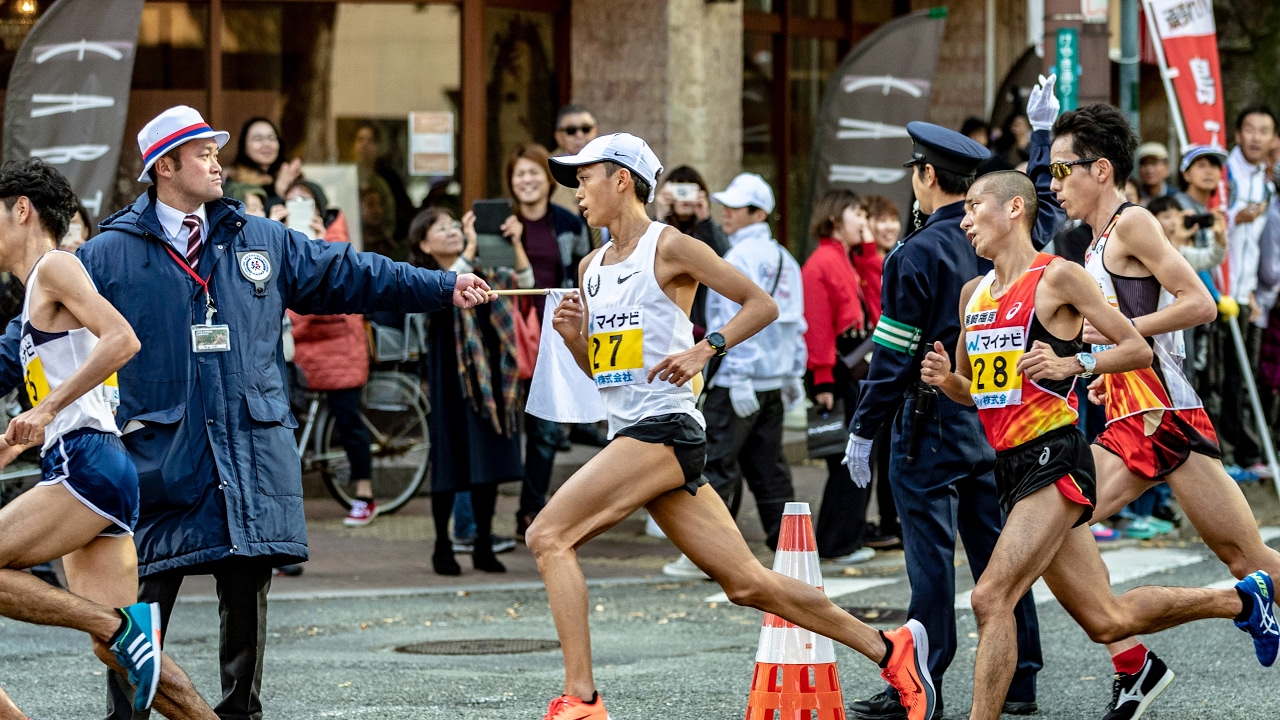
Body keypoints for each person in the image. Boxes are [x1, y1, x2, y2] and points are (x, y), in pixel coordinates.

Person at [76, 105, 491, 719]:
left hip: (248, 448)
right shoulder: (108, 254)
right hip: (158, 457)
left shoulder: (259, 238)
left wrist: (439, 286)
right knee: (141, 610)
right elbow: (40, 333)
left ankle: (241, 714)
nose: (219, 163)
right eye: (204, 154)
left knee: (246, 602)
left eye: (218, 151)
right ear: (166, 166)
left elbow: (350, 272)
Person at [533, 132, 938, 720]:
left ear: (622, 178)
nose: (576, 191)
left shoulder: (670, 246)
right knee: (748, 583)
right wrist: (575, 339)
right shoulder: (590, 265)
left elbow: (760, 304)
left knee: (548, 535)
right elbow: (604, 371)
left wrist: (706, 349)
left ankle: (583, 699)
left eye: (584, 176)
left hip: (666, 428)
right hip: (633, 431)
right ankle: (891, 649)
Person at [922, 168, 1276, 720]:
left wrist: (1072, 362)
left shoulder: (1058, 278)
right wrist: (947, 380)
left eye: (972, 207)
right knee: (1107, 620)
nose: (964, 221)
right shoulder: (973, 294)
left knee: (991, 598)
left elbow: (1136, 347)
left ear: (1014, 208)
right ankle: (1241, 598)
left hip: (1056, 456)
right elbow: (976, 395)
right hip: (1009, 468)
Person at [844, 74, 1067, 720]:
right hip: (991, 419)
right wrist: (1042, 135)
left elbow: (893, 357)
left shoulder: (914, 254)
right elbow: (1042, 208)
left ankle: (924, 678)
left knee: (930, 560)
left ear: (924, 177)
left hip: (928, 419)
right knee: (1002, 553)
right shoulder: (1003, 238)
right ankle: (1020, 678)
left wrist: (863, 429)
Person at [1048, 102, 1280, 716]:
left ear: (1100, 170)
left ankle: (1135, 662)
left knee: (1051, 517)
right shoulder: (1098, 239)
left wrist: (1118, 336)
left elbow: (1199, 302)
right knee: (1248, 558)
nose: (1054, 185)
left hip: (1159, 413)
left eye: (1061, 171)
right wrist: (1112, 368)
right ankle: (1134, 661)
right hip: (1141, 409)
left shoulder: (1132, 223)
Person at [0, 159, 218, 718]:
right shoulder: (33, 296)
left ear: (21, 209)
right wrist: (20, 437)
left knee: (115, 635)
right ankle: (127, 637)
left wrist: (45, 410)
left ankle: (116, 627)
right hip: (92, 467)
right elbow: (59, 402)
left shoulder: (55, 267)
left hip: (87, 466)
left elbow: (122, 340)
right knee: (125, 657)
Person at [662, 173, 804, 579]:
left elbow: (726, 319)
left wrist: (738, 372)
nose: (726, 213)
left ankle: (706, 554)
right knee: (769, 468)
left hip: (738, 379)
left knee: (717, 465)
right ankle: (792, 550)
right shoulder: (784, 257)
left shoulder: (737, 258)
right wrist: (793, 372)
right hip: (771, 380)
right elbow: (794, 322)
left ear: (757, 213)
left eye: (735, 207)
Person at [408, 206, 530, 575]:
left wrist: (516, 243)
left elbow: (524, 283)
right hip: (450, 376)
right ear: (424, 244)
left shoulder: (487, 270)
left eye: (454, 226)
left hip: (489, 374)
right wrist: (469, 250)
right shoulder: (423, 277)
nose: (452, 231)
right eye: (441, 228)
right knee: (450, 458)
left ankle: (482, 542)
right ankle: (442, 545)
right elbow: (444, 290)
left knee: (487, 458)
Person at [504, 143, 594, 541]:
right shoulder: (501, 224)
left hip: (553, 336)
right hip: (506, 336)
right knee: (505, 425)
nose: (527, 180)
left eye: (534, 173)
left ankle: (531, 510)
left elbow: (585, 277)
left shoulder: (569, 224)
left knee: (542, 429)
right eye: (519, 174)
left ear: (548, 179)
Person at [282, 180, 374, 527]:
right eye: (292, 202)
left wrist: (323, 241)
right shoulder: (280, 237)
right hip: (300, 344)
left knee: (349, 418)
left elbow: (339, 283)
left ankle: (365, 493)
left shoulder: (337, 235)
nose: (299, 206)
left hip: (339, 345)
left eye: (306, 201)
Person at [802, 189, 878, 564]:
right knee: (845, 456)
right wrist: (822, 381)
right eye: (857, 214)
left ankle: (845, 536)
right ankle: (836, 541)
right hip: (836, 368)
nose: (864, 222)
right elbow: (816, 325)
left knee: (856, 453)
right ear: (835, 219)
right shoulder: (820, 263)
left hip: (853, 366)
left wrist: (866, 251)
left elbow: (877, 298)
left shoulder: (847, 259)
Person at [1223, 105, 1278, 478]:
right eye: (1249, 129)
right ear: (1238, 134)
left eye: (1264, 131)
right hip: (1218, 292)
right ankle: (1225, 453)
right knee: (1219, 376)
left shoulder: (1265, 182)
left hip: (1246, 296)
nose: (1256, 137)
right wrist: (1232, 218)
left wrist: (1257, 293)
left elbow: (1257, 246)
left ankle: (1244, 453)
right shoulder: (1225, 174)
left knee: (1244, 377)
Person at [856, 194, 902, 549]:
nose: (887, 227)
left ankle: (891, 519)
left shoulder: (896, 256)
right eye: (876, 220)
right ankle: (889, 519)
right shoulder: (867, 261)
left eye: (891, 219)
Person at [654, 165, 730, 337]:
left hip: (703, 328)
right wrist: (660, 217)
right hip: (663, 325)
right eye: (679, 189)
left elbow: (726, 262)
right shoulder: (654, 230)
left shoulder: (709, 231)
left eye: (690, 190)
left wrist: (705, 220)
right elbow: (649, 259)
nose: (684, 198)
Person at [226, 117, 301, 208]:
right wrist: (279, 193)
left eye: (272, 138)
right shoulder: (235, 181)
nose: (267, 144)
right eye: (258, 139)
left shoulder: (290, 175)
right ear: (244, 146)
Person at [353, 123, 399, 245]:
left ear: (377, 148)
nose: (364, 145)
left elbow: (390, 220)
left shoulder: (383, 183)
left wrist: (380, 239)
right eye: (360, 140)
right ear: (354, 146)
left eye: (370, 140)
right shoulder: (346, 180)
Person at [549, 104, 599, 215]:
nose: (579, 135)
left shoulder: (611, 164)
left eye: (586, 129)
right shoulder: (547, 169)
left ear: (595, 131)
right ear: (558, 136)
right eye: (571, 131)